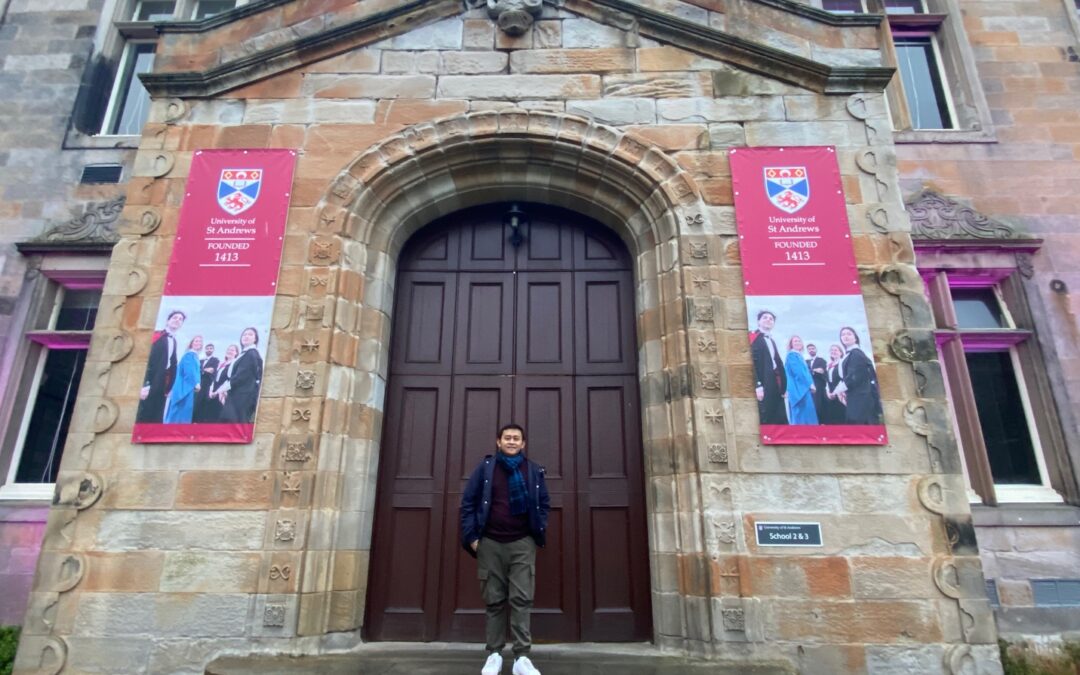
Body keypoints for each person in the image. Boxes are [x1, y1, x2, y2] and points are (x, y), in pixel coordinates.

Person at [460, 424, 550, 675]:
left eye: (516, 438)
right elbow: (468, 502)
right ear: (498, 442)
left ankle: (522, 657)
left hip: (522, 542)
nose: (511, 441)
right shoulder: (486, 469)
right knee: (494, 600)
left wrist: (537, 531)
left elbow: (544, 503)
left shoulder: (532, 471)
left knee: (522, 599)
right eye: (507, 438)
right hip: (489, 543)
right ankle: (495, 654)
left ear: (523, 444)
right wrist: (472, 537)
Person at [136, 309, 185, 423]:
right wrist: (145, 384)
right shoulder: (156, 336)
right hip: (150, 382)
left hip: (162, 383)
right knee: (144, 414)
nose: (177, 320)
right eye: (175, 318)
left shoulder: (174, 341)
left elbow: (171, 365)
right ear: (168, 321)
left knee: (156, 415)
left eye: (180, 319)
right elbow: (146, 360)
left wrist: (169, 386)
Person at [834, 327, 884, 425]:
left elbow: (854, 376)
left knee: (862, 427)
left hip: (861, 397)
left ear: (855, 338)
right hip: (855, 395)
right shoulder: (849, 354)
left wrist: (839, 390)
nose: (845, 336)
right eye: (843, 334)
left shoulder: (856, 354)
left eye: (849, 334)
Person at [748, 310, 787, 425]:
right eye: (765, 317)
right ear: (758, 321)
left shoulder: (772, 341)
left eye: (771, 319)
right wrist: (757, 385)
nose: (768, 320)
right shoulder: (752, 338)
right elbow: (749, 362)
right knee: (766, 416)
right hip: (763, 383)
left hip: (775, 384)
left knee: (779, 416)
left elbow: (777, 364)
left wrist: (783, 387)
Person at [219, 327, 263, 424]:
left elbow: (241, 376)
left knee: (235, 425)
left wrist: (224, 389)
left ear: (255, 339)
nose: (246, 336)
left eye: (250, 334)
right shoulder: (245, 353)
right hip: (238, 394)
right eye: (244, 334)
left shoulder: (251, 353)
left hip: (243, 396)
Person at [164, 336, 203, 424]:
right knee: (181, 411)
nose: (198, 343)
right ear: (191, 343)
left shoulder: (194, 356)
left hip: (187, 386)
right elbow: (189, 372)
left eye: (200, 342)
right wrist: (196, 383)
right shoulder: (190, 355)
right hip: (184, 387)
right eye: (196, 341)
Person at [784, 336, 819, 425]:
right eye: (795, 341)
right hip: (799, 390)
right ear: (791, 344)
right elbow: (799, 372)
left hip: (803, 388)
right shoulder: (792, 355)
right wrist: (810, 384)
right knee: (803, 415)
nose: (798, 342)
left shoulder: (799, 355)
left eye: (799, 341)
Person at [206, 344, 239, 423]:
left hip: (223, 393)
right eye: (228, 349)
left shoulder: (234, 364)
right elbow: (214, 379)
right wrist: (211, 391)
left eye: (232, 350)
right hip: (213, 392)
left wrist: (217, 392)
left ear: (236, 353)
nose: (230, 351)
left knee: (218, 416)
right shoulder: (221, 364)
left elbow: (229, 380)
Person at [193, 343, 219, 422]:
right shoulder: (200, 360)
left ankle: (198, 422)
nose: (209, 350)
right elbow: (196, 371)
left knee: (202, 403)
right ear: (205, 350)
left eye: (211, 348)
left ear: (213, 350)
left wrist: (201, 371)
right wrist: (204, 371)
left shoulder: (215, 360)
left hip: (206, 385)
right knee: (195, 402)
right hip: (197, 384)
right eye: (207, 348)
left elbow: (212, 370)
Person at [823, 344, 847, 424]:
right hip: (830, 395)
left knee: (842, 416)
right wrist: (828, 393)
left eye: (836, 350)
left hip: (841, 393)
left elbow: (843, 379)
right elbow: (826, 381)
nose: (833, 352)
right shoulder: (828, 365)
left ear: (841, 352)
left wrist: (835, 392)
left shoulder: (843, 363)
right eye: (832, 350)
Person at [805, 343, 828, 420]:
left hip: (819, 386)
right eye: (809, 349)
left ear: (816, 349)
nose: (811, 350)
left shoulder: (821, 360)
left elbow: (822, 370)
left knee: (818, 405)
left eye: (813, 348)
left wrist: (811, 370)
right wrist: (814, 371)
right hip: (808, 387)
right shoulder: (806, 361)